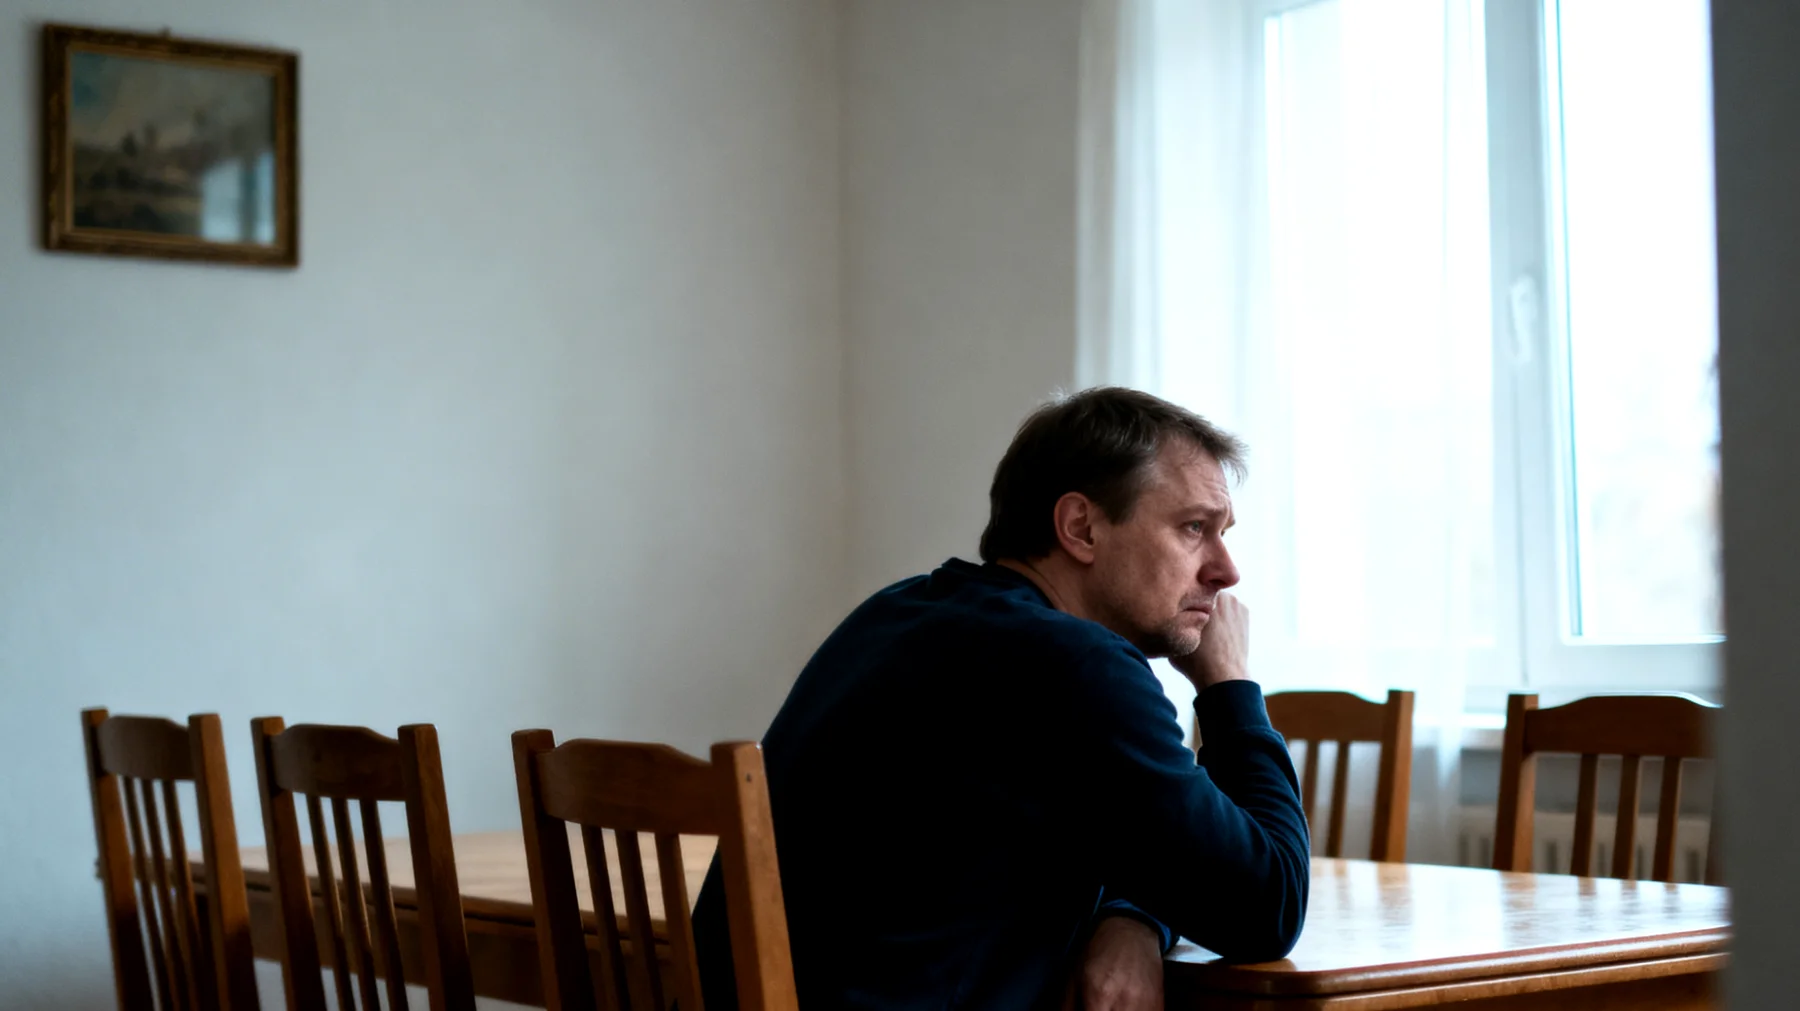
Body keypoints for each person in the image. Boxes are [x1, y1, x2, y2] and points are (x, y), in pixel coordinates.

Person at [692, 387, 1310, 1010]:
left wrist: (1134, 918)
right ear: (1081, 527)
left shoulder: (895, 614)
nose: (1226, 570)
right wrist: (1229, 685)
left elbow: (1136, 842)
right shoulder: (1077, 667)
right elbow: (1267, 907)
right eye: (1194, 528)